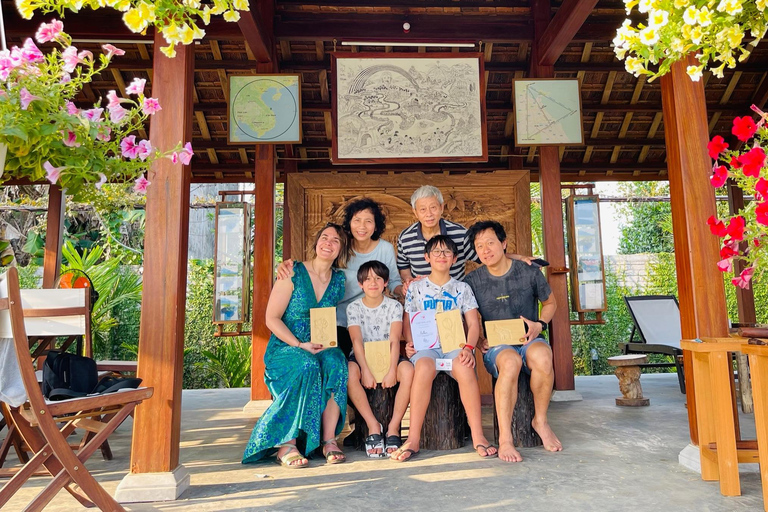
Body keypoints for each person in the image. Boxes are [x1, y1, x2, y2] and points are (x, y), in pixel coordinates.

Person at [242, 223, 353, 468]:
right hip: (287, 346)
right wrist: (299, 344)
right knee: (306, 365)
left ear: (340, 250)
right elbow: (271, 318)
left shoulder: (339, 279)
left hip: (319, 345)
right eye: (324, 237)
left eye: (335, 241)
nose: (328, 243)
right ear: (316, 243)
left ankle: (329, 440)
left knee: (337, 361)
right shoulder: (292, 272)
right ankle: (287, 444)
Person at [390, 235, 498, 462]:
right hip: (426, 348)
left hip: (454, 346)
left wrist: (468, 348)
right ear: (426, 257)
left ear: (455, 258)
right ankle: (413, 437)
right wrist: (411, 344)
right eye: (436, 252)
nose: (441, 256)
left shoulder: (462, 288)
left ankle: (478, 435)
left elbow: (472, 323)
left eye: (447, 252)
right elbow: (409, 320)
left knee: (466, 368)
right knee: (424, 367)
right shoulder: (416, 288)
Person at [464, 220, 562, 463]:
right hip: (498, 346)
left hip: (528, 337)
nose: (485, 250)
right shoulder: (472, 281)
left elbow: (551, 303)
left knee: (542, 356)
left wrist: (540, 324)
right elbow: (463, 318)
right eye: (479, 246)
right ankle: (506, 439)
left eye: (490, 243)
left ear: (504, 243)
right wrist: (477, 342)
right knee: (510, 362)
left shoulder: (527, 271)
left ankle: (540, 420)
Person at [276, 198, 402, 357]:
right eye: (357, 220)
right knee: (336, 359)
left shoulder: (385, 248)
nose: (362, 226)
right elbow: (317, 265)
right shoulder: (340, 247)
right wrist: (285, 266)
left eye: (368, 221)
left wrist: (403, 289)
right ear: (349, 223)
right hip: (337, 320)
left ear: (376, 225)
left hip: (370, 318)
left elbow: (394, 282)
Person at [396, 185, 532, 287]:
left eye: (433, 207)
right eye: (423, 209)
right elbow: (404, 266)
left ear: (442, 207)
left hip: (455, 297)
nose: (429, 214)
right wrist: (409, 281)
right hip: (422, 298)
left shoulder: (460, 234)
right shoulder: (405, 237)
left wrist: (521, 258)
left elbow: (488, 255)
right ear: (415, 212)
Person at [346, 260, 414, 458]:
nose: (373, 283)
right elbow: (356, 341)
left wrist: (392, 369)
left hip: (389, 353)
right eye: (367, 279)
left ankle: (393, 427)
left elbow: (394, 340)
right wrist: (366, 371)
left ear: (386, 282)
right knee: (350, 372)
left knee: (408, 371)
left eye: (378, 278)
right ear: (360, 284)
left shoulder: (394, 306)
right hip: (362, 356)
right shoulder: (353, 308)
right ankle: (373, 425)